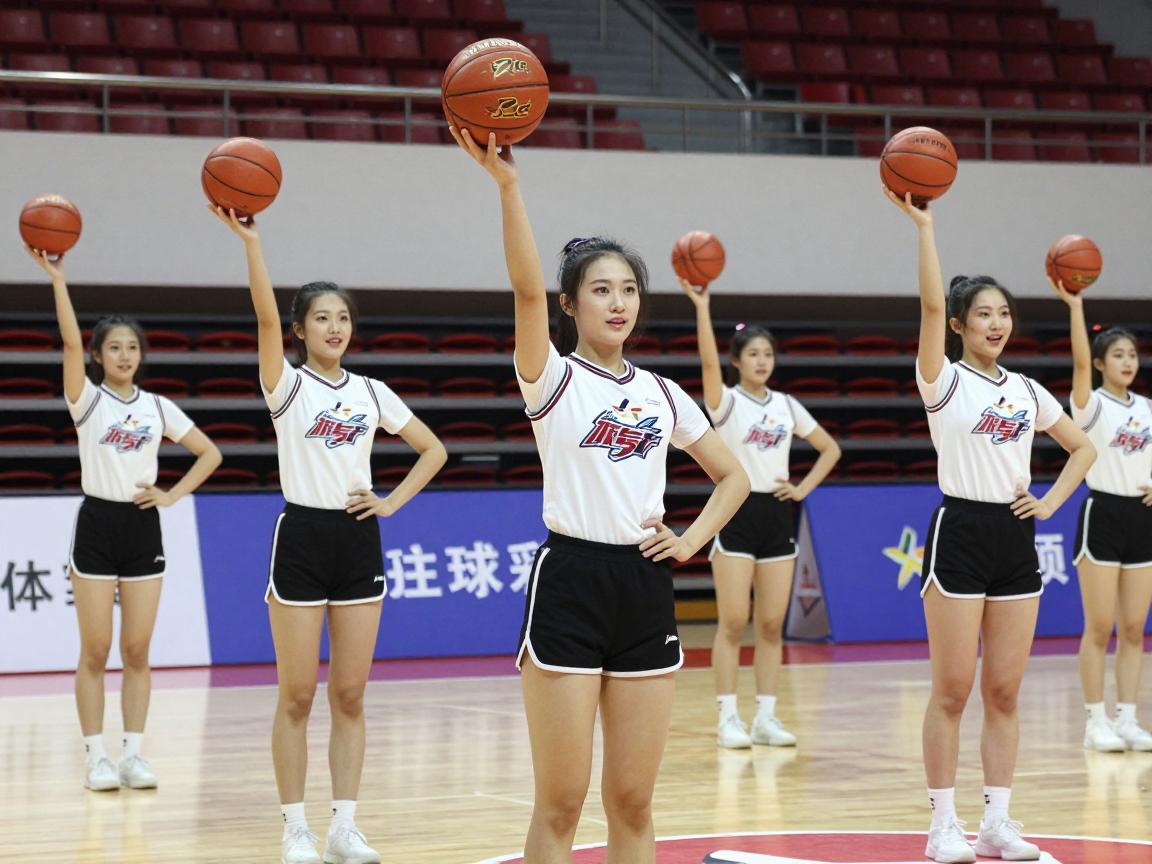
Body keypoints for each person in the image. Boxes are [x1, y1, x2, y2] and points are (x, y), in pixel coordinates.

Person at [451, 125, 749, 864]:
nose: (618, 303)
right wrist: (509, 186)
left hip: (644, 584)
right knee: (561, 801)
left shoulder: (663, 393)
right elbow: (524, 289)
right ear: (569, 304)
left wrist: (692, 539)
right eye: (601, 290)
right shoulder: (552, 379)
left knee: (634, 800)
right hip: (571, 580)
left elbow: (735, 476)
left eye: (629, 290)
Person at [211, 207, 447, 864]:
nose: (335, 327)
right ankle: (296, 828)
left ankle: (344, 826)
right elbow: (263, 320)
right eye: (322, 318)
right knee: (296, 696)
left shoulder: (372, 392)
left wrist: (391, 502)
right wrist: (253, 244)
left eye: (343, 317)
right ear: (300, 330)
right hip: (302, 537)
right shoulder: (287, 387)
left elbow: (433, 449)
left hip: (357, 539)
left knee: (349, 694)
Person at [886, 189, 1095, 864]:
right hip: (960, 531)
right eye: (983, 314)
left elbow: (1083, 449)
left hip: (1015, 536)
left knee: (1004, 691)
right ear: (959, 325)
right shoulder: (943, 381)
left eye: (1004, 313)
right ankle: (942, 825)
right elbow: (926, 307)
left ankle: (997, 823)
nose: (997, 323)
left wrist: (1051, 502)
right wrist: (925, 228)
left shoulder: (1027, 390)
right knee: (952, 690)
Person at [27, 246, 222, 793]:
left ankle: (133, 755)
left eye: (132, 347)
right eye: (114, 347)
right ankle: (96, 757)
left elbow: (209, 453)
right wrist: (58, 279)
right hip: (97, 523)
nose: (124, 355)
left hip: (142, 526)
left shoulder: (158, 407)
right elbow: (68, 342)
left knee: (137, 650)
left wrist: (172, 495)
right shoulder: (87, 401)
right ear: (97, 355)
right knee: (95, 650)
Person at [679, 280, 840, 748]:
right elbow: (707, 364)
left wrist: (803, 488)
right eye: (753, 354)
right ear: (737, 361)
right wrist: (702, 309)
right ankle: (728, 717)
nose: (762, 361)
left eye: (767, 354)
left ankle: (766, 717)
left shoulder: (787, 405)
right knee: (733, 623)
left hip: (776, 514)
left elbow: (830, 449)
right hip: (736, 512)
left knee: (770, 625)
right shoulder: (727, 402)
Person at [1050, 278, 1152, 753]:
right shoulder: (1090, 406)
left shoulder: (1148, 408)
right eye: (1117, 354)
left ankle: (1128, 718)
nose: (1127, 361)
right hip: (1103, 512)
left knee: (1134, 628)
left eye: (1132, 354)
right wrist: (1076, 306)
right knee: (1099, 626)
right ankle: (1095, 721)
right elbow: (1076, 363)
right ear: (1099, 363)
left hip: (1142, 516)